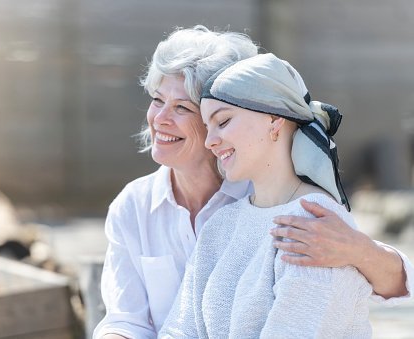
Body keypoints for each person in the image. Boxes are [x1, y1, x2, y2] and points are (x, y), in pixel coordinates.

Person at [94, 26, 413, 339]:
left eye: (181, 107)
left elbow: (380, 288)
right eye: (156, 99)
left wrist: (362, 251)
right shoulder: (141, 206)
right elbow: (131, 321)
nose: (159, 118)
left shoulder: (288, 207)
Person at [158, 52, 373, 337]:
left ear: (274, 120)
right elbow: (178, 329)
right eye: (207, 127)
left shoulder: (317, 224)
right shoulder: (222, 225)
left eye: (222, 122)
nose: (210, 141)